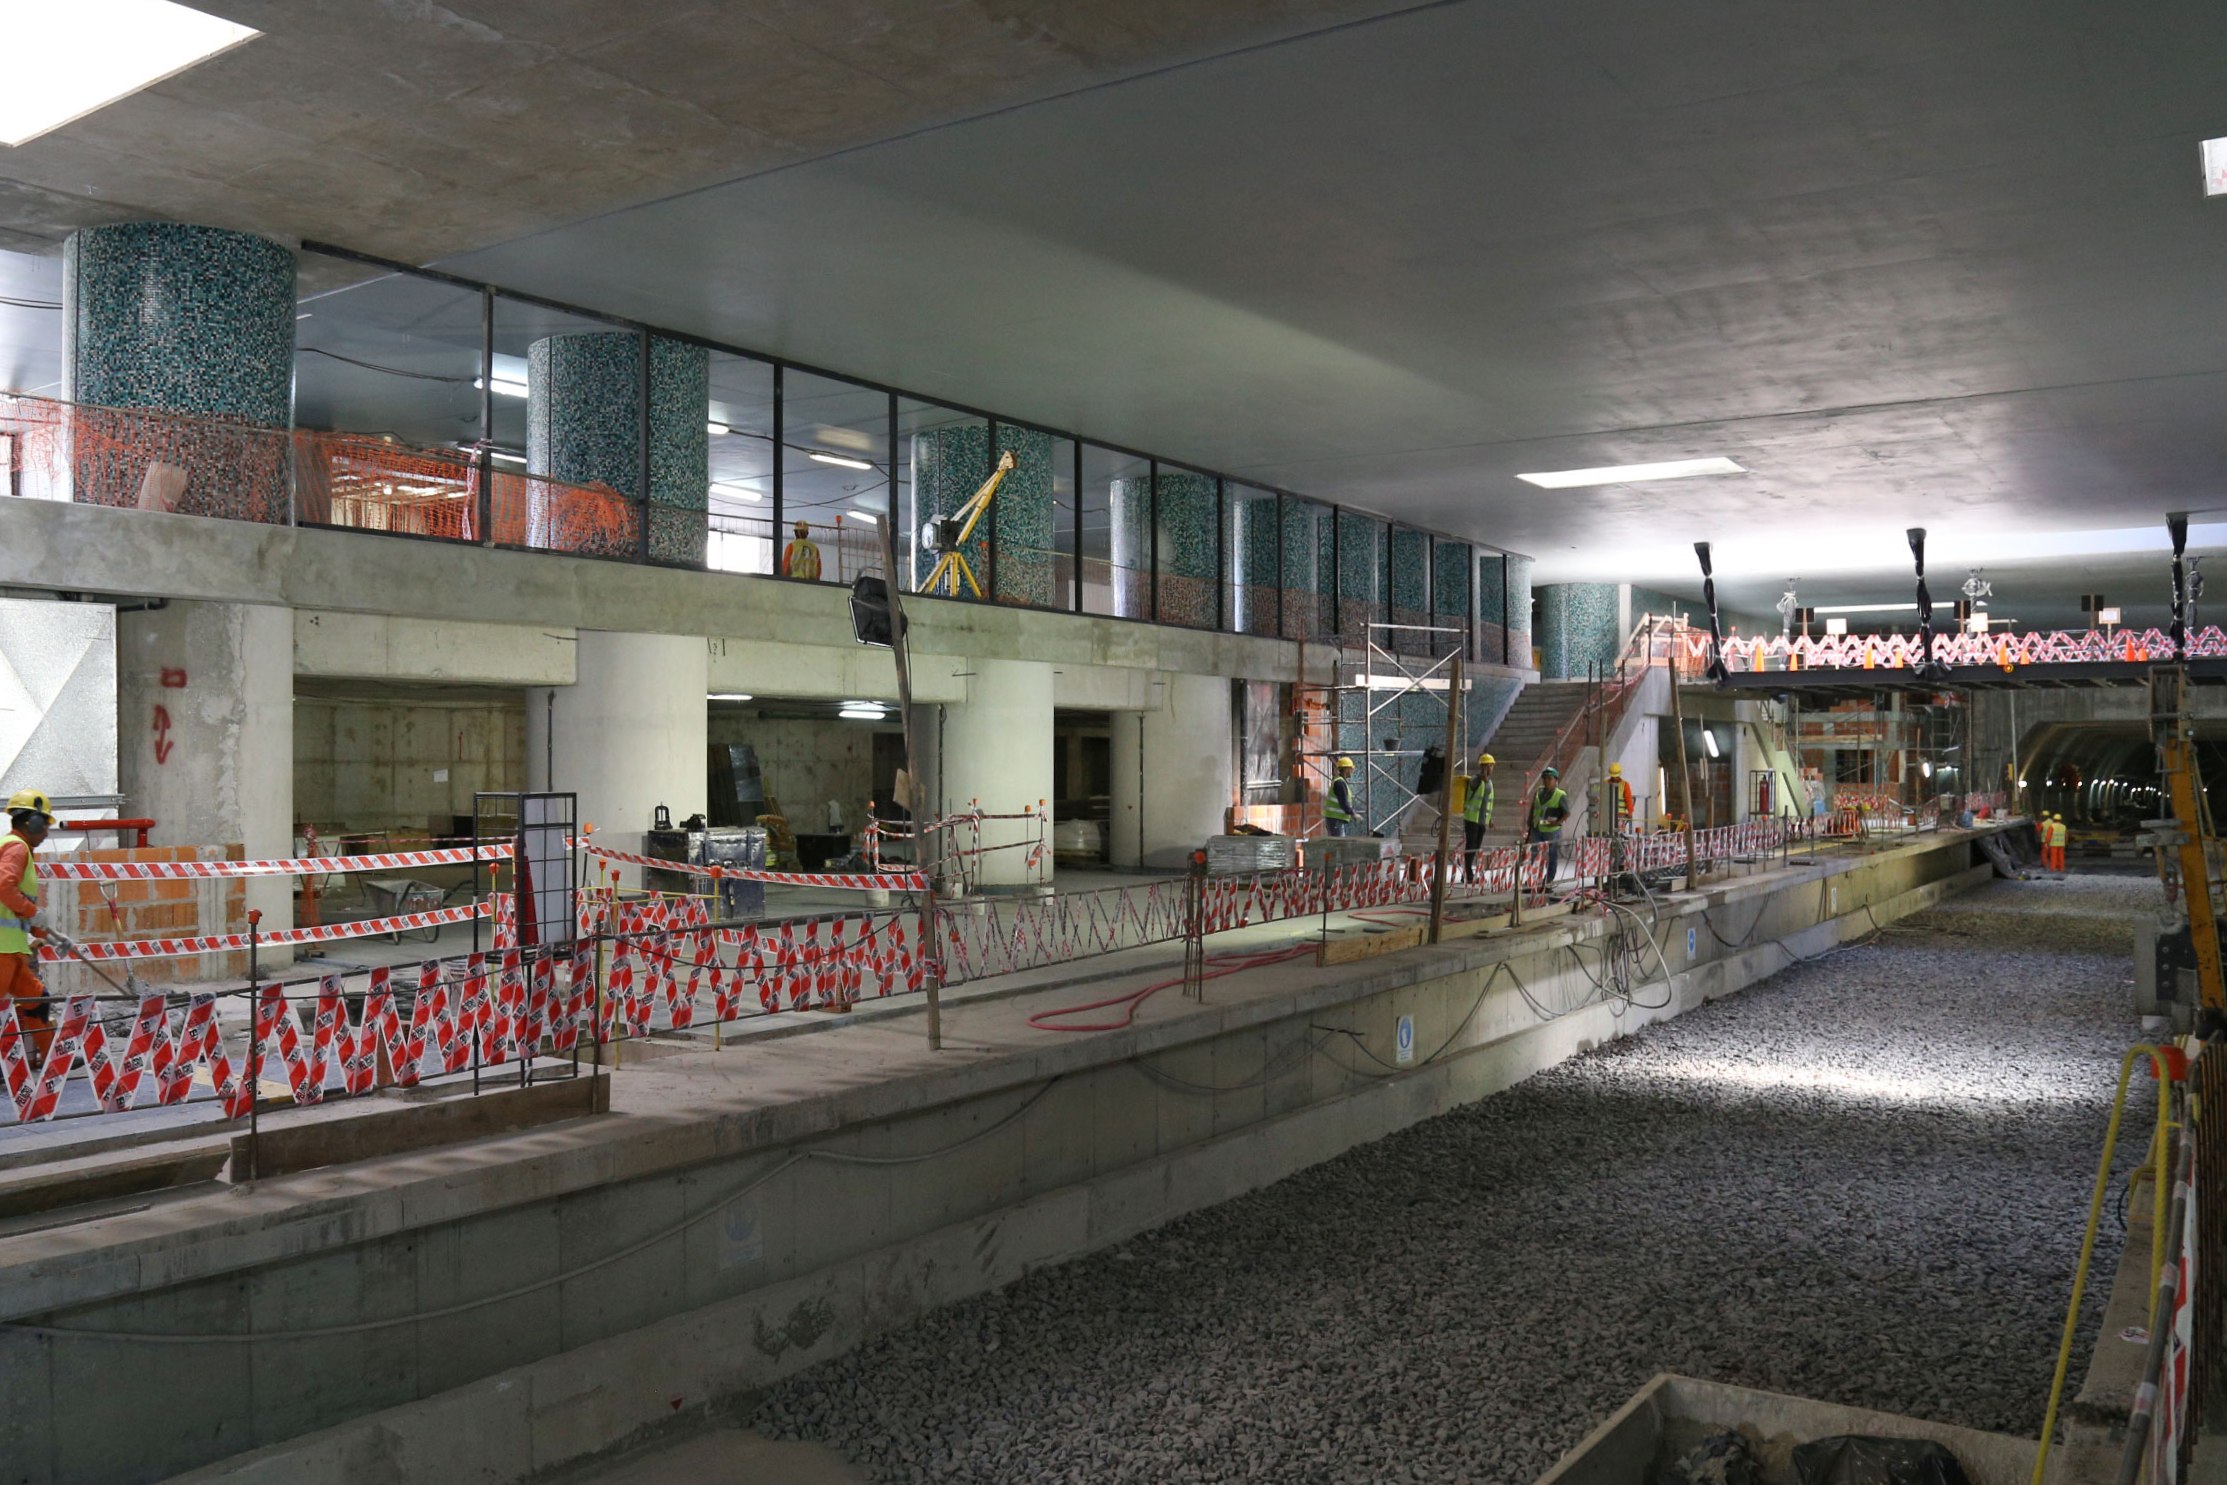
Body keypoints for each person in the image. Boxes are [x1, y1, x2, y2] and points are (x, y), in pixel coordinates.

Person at [0, 789, 56, 1058]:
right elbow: (4, 887)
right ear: (31, 822)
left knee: (37, 998)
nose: (46, 832)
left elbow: (13, 899)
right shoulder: (17, 848)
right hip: (2, 949)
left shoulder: (16, 848)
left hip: (11, 949)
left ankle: (54, 1056)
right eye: (44, 824)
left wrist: (38, 928)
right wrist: (33, 911)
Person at [1528, 765, 1570, 884]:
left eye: (1549, 779)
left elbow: (1567, 812)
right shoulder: (1539, 792)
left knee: (1551, 855)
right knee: (1535, 854)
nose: (1546, 781)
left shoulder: (1560, 795)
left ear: (1556, 781)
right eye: (1545, 778)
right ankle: (1534, 877)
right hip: (1537, 827)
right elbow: (1533, 806)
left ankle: (1549, 879)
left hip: (1551, 831)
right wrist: (1530, 819)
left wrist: (1557, 822)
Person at [1462, 752, 1495, 881]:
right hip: (1472, 819)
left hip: (1482, 820)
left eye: (1491, 766)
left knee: (1476, 847)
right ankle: (1468, 873)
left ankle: (1469, 872)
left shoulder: (1490, 783)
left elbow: (1488, 802)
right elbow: (1478, 781)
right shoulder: (1475, 780)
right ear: (1481, 767)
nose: (1489, 769)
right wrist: (1483, 775)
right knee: (1470, 846)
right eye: (1487, 766)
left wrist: (1490, 819)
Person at [1324, 756, 1359, 837]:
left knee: (1338, 844)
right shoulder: (1339, 783)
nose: (1352, 771)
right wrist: (1353, 813)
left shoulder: (1340, 781)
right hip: (1335, 819)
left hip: (1335, 819)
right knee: (1339, 845)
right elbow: (1343, 802)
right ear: (1346, 769)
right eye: (1351, 768)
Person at [1604, 761, 1635, 834]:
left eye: (1616, 776)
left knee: (1619, 833)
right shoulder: (1605, 783)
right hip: (1607, 813)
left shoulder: (1625, 784)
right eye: (1613, 776)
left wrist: (1630, 812)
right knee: (1607, 832)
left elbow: (1628, 799)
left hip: (1620, 814)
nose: (1615, 778)